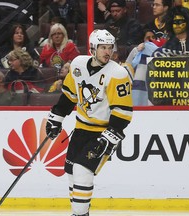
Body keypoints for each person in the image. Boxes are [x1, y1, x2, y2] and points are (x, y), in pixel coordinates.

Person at [45, 29, 133, 216]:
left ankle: (79, 215)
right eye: (103, 48)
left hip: (102, 133)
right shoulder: (78, 65)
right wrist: (56, 117)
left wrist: (109, 137)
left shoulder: (118, 73)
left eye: (110, 48)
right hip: (81, 129)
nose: (107, 52)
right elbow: (69, 96)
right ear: (93, 48)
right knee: (70, 172)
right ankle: (81, 212)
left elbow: (123, 111)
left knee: (82, 172)